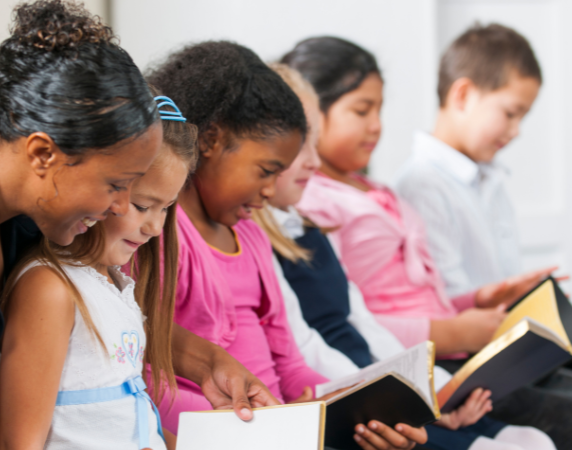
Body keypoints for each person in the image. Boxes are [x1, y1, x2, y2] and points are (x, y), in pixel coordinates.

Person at [0, 3, 273, 448]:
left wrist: (206, 360)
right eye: (116, 185)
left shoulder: (21, 188)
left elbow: (96, 325)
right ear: (43, 154)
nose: (119, 208)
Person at [286, 35, 572, 450]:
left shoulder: (376, 192)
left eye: (379, 109)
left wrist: (480, 299)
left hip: (449, 353)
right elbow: (357, 320)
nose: (377, 125)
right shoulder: (314, 205)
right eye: (362, 111)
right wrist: (457, 331)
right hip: (436, 355)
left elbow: (420, 298)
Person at [394, 23, 572, 450]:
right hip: (473, 366)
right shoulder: (420, 188)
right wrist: (557, 333)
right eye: (510, 113)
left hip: (512, 353)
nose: (516, 130)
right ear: (463, 95)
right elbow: (457, 306)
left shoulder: (490, 181)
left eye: (523, 116)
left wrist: (565, 328)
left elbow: (505, 289)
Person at [252, 62, 556, 450]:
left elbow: (361, 317)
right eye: (362, 110)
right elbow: (307, 348)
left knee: (534, 440)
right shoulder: (273, 230)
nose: (311, 159)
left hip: (389, 377)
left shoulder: (310, 225)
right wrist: (398, 394)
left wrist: (430, 389)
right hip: (359, 395)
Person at [147, 41, 428, 450]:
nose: (270, 190)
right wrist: (268, 428)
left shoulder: (252, 235)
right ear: (209, 140)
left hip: (279, 425)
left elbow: (291, 365)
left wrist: (359, 411)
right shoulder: (159, 233)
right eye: (265, 171)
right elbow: (148, 371)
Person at [0, 93, 196, 450]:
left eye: (165, 208)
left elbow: (125, 416)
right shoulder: (49, 288)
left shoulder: (115, 284)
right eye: (141, 205)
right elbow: (21, 444)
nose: (155, 227)